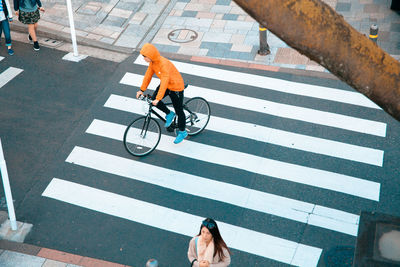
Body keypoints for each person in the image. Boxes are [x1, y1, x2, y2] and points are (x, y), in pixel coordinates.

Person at [136, 43, 188, 144]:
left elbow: (164, 81)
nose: (144, 59)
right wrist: (141, 90)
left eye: (145, 57)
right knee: (152, 99)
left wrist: (158, 98)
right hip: (167, 85)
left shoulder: (163, 64)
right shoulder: (152, 63)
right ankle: (169, 113)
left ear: (150, 56)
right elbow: (148, 76)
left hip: (176, 86)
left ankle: (182, 131)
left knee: (179, 110)